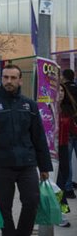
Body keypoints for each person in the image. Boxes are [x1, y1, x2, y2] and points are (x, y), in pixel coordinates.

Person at [0, 64, 52, 236]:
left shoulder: (30, 106)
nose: (8, 81)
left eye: (12, 78)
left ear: (20, 80)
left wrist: (45, 166)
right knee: (4, 206)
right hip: (2, 165)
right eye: (5, 77)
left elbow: (39, 137)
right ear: (2, 79)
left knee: (32, 201)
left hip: (27, 163)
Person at [56, 81, 77, 226]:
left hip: (63, 149)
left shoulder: (68, 110)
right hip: (50, 151)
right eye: (58, 90)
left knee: (61, 183)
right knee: (54, 183)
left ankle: (61, 212)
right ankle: (54, 212)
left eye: (63, 91)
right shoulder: (46, 109)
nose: (61, 93)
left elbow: (74, 130)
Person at [61, 68, 77, 198]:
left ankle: (68, 189)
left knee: (66, 163)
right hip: (72, 130)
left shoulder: (63, 92)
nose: (61, 93)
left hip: (68, 132)